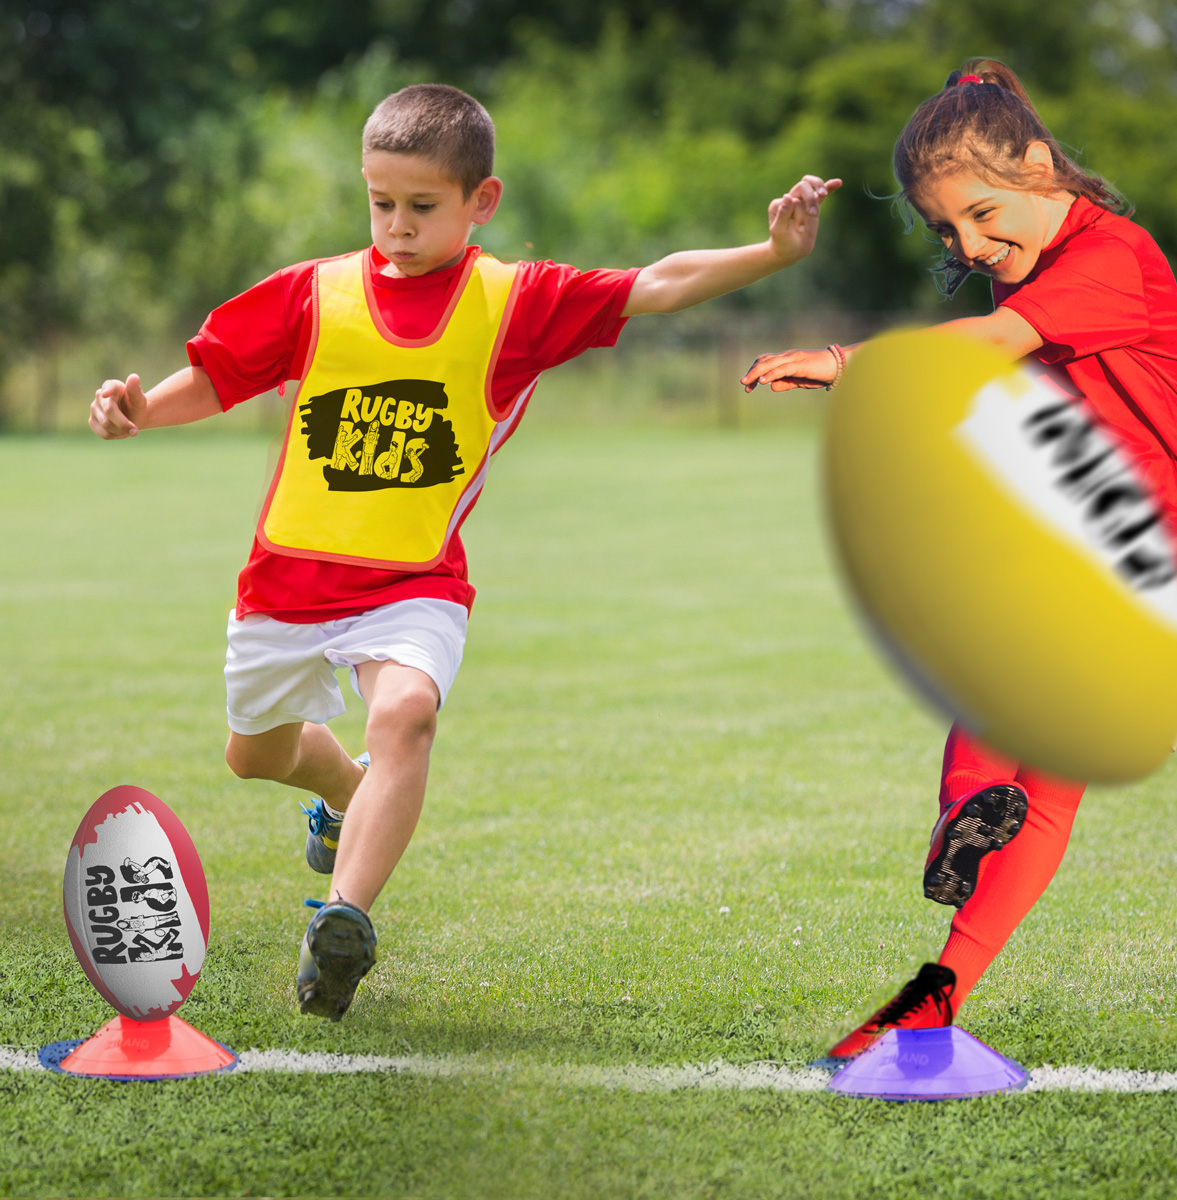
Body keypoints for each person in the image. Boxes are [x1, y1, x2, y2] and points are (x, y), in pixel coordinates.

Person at [90, 83, 841, 1021]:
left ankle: (343, 922)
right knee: (252, 756)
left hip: (414, 584)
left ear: (480, 202)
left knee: (405, 713)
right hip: (286, 580)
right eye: (380, 203)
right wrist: (141, 410)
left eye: (421, 206)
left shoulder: (513, 301)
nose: (396, 226)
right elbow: (216, 373)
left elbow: (653, 284)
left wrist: (771, 251)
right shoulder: (314, 292)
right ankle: (339, 794)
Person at [741, 58, 1177, 1060]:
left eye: (987, 215)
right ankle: (939, 990)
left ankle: (966, 811)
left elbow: (991, 344)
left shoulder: (1111, 256)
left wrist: (846, 365)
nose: (972, 244)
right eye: (947, 230)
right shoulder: (1035, 260)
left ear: (1043, 165)